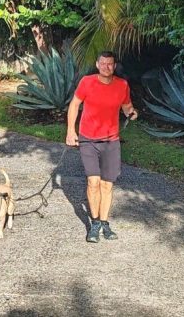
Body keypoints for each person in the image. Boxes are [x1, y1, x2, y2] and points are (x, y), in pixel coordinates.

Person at [65, 50, 138, 243]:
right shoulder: (87, 82)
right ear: (97, 65)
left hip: (111, 141)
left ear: (114, 66)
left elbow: (126, 105)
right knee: (93, 182)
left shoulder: (122, 85)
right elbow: (74, 105)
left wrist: (131, 112)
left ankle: (104, 222)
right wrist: (70, 131)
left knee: (107, 184)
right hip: (88, 139)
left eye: (110, 64)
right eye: (103, 63)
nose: (106, 67)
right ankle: (94, 223)